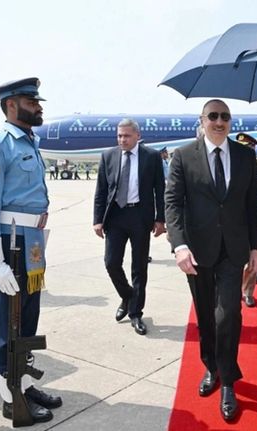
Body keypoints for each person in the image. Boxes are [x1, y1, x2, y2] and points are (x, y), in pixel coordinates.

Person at [164, 99, 257, 422]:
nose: (219, 122)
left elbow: (251, 205)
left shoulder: (245, 156)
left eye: (225, 117)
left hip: (234, 249)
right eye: (213, 116)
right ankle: (211, 366)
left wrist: (256, 247)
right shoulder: (183, 156)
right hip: (197, 250)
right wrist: (179, 245)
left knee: (228, 314)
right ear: (202, 120)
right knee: (206, 315)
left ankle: (229, 381)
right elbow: (173, 203)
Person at [0, 77, 61, 423]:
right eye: (31, 102)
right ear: (11, 105)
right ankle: (11, 399)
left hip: (33, 241)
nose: (38, 107)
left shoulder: (30, 142)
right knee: (6, 320)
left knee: (26, 316)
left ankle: (23, 383)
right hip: (11, 242)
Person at [93, 119, 166, 336]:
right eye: (119, 136)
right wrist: (97, 220)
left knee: (139, 266)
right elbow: (101, 190)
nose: (122, 140)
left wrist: (160, 219)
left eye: (126, 136)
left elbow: (160, 190)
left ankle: (136, 313)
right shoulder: (108, 156)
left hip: (140, 217)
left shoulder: (151, 156)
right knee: (111, 262)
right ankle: (127, 295)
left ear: (137, 136)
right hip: (115, 216)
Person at [236, 132, 257, 307]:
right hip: (235, 221)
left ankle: (248, 292)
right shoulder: (229, 165)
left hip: (254, 218)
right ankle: (235, 290)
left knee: (253, 259)